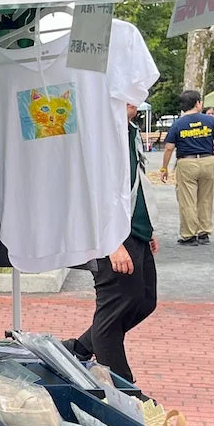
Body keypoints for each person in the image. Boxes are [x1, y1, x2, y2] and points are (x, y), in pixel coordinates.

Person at [68, 102, 158, 385]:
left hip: (135, 228)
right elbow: (92, 191)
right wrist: (111, 243)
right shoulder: (102, 134)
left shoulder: (129, 131)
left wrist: (148, 224)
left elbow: (136, 182)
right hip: (113, 234)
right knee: (113, 309)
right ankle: (120, 387)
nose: (134, 100)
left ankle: (78, 349)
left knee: (144, 301)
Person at [157, 89, 214, 245]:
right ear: (198, 103)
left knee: (187, 199)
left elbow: (168, 147)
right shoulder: (210, 120)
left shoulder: (178, 124)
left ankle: (189, 234)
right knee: (206, 198)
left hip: (186, 162)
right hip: (208, 160)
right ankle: (204, 232)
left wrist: (164, 168)